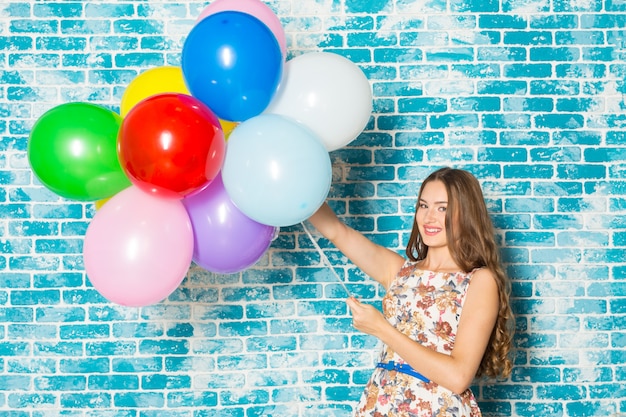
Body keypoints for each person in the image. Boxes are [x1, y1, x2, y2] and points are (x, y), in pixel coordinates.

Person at [308, 167, 514, 417]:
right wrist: (294, 184)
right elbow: (336, 231)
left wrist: (382, 329)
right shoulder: (399, 271)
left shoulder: (480, 281)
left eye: (443, 208)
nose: (429, 218)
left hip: (437, 409)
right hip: (381, 405)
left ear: (467, 214)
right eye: (423, 205)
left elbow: (458, 377)